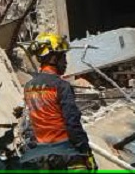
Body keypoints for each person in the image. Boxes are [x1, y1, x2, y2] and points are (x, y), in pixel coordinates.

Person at [19, 33, 97, 171]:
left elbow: (30, 124)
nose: (66, 62)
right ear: (53, 58)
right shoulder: (61, 86)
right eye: (63, 57)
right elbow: (72, 123)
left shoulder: (29, 87)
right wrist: (85, 152)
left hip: (41, 155)